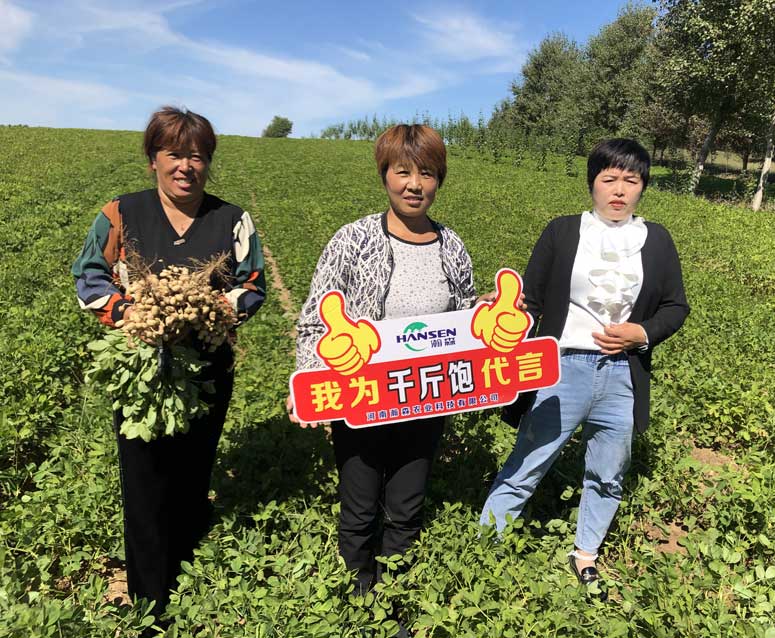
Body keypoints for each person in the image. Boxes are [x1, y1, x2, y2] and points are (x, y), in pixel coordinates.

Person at [288, 124, 493, 629]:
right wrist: (310, 379)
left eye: (426, 172)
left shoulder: (452, 246)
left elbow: (465, 314)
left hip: (424, 400)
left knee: (406, 505)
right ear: (385, 175)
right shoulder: (353, 239)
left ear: (439, 179)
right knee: (359, 506)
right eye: (403, 171)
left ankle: (395, 598)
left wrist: (486, 315)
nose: (414, 184)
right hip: (361, 398)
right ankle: (359, 597)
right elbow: (317, 318)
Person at [72, 106, 265, 618]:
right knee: (143, 478)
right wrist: (132, 314)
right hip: (141, 372)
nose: (186, 166)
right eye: (174, 154)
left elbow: (253, 285)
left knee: (192, 469)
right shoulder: (121, 213)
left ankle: (186, 565)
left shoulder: (231, 220)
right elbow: (88, 276)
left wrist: (210, 313)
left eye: (197, 156)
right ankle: (148, 598)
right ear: (153, 160)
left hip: (206, 370)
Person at [479, 138, 689, 593]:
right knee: (529, 461)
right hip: (561, 367)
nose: (619, 190)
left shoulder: (656, 240)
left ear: (643, 187)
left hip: (621, 374)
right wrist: (501, 315)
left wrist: (643, 333)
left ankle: (586, 554)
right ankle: (485, 546)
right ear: (591, 183)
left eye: (630, 181)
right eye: (608, 179)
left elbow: (675, 306)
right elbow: (531, 301)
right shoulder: (563, 231)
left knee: (608, 472)